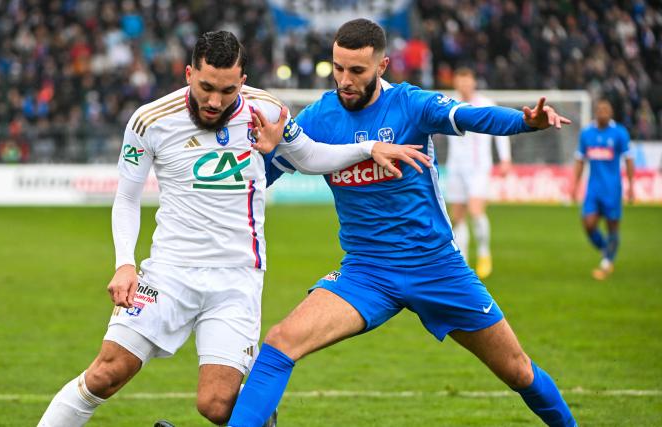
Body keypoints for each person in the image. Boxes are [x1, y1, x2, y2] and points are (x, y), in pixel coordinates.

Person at [37, 30, 429, 427]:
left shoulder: (267, 111)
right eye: (206, 87)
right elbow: (127, 197)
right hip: (169, 273)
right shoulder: (150, 120)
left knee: (218, 406)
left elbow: (309, 155)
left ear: (242, 82)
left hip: (236, 280)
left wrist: (366, 148)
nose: (214, 101)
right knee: (106, 373)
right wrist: (124, 263)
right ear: (189, 73)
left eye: (226, 91)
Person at [228, 19, 577, 427]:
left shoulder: (411, 104)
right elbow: (264, 177)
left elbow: (470, 115)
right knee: (279, 343)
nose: (345, 80)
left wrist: (524, 122)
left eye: (357, 71)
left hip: (436, 268)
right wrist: (252, 163)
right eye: (338, 68)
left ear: (383, 66)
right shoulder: (319, 118)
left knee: (518, 370)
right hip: (366, 272)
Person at [446, 67, 512, 278]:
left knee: (476, 210)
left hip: (478, 167)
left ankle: (484, 253)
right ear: (456, 83)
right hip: (455, 166)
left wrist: (505, 159)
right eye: (460, 81)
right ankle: (462, 261)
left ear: (474, 82)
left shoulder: (486, 104)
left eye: (468, 80)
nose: (464, 85)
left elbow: (501, 131)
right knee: (457, 216)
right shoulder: (448, 103)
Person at [571, 99, 634, 280]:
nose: (602, 112)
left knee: (612, 226)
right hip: (593, 189)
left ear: (611, 113)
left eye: (606, 109)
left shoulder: (619, 133)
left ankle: (606, 263)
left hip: (612, 189)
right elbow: (580, 160)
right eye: (599, 109)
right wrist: (574, 185)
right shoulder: (587, 133)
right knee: (588, 224)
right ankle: (607, 250)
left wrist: (631, 186)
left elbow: (629, 160)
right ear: (595, 112)